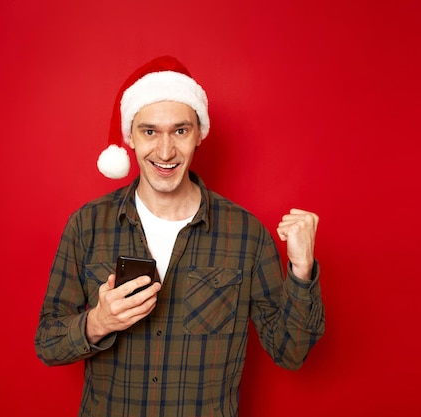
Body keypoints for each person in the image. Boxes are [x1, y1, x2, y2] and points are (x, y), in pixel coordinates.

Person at [34, 55, 325, 417]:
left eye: (180, 131)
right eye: (150, 131)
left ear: (200, 133)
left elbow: (291, 352)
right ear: (131, 138)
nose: (166, 151)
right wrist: (97, 323)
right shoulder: (88, 225)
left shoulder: (246, 235)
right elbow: (48, 343)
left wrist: (301, 270)